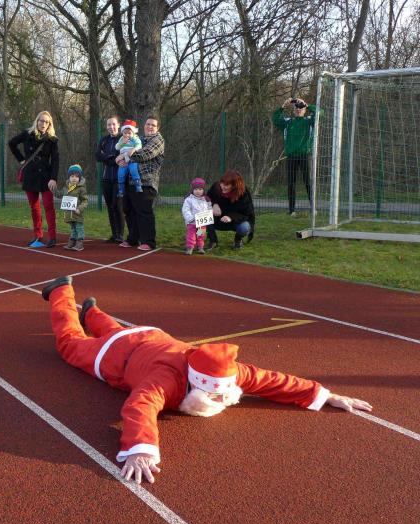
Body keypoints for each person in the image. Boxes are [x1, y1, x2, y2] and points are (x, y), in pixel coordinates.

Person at [40, 276, 373, 484]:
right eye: (213, 396)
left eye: (223, 395)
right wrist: (140, 450)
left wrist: (324, 395)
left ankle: (92, 313)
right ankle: (61, 292)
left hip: (149, 336)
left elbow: (273, 381)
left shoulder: (229, 372)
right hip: (118, 354)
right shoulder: (166, 380)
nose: (221, 401)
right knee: (69, 343)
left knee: (116, 329)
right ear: (195, 383)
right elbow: (139, 406)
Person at [8, 111, 60, 248]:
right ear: (37, 121)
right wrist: (21, 160)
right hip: (30, 175)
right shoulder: (27, 134)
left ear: (50, 124)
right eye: (41, 120)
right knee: (34, 207)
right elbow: (11, 143)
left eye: (47, 122)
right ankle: (38, 235)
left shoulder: (52, 139)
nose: (43, 124)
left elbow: (55, 160)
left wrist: (53, 178)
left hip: (46, 177)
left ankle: (52, 236)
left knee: (49, 207)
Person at [117, 116, 164, 252]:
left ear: (157, 128)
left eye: (153, 125)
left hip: (146, 182)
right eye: (148, 124)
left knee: (144, 212)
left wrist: (124, 156)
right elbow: (125, 147)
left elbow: (145, 154)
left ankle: (148, 241)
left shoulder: (158, 140)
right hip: (131, 180)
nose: (150, 127)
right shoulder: (139, 138)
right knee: (130, 210)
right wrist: (120, 157)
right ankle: (133, 238)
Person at [272, 97, 317, 216]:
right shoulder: (288, 122)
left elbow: (320, 112)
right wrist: (283, 106)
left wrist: (307, 104)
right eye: (296, 108)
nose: (298, 110)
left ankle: (313, 208)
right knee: (291, 183)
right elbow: (275, 119)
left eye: (301, 108)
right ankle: (292, 210)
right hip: (291, 156)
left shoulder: (309, 121)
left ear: (304, 110)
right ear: (293, 110)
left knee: (308, 182)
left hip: (304, 155)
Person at [206, 169, 255, 250]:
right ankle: (212, 240)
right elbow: (206, 199)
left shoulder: (243, 193)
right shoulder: (216, 187)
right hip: (217, 219)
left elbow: (247, 214)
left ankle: (238, 239)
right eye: (222, 183)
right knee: (201, 218)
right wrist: (214, 204)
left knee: (245, 227)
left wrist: (230, 217)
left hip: (235, 221)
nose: (222, 186)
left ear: (235, 185)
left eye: (227, 185)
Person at [94, 116, 125, 243]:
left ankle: (120, 235)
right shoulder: (104, 140)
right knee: (110, 207)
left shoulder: (123, 139)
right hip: (106, 178)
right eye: (108, 125)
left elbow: (122, 155)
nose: (111, 127)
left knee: (117, 206)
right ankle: (114, 234)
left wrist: (108, 157)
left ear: (118, 125)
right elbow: (98, 155)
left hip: (119, 179)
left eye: (113, 124)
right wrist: (111, 158)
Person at [59, 165, 88, 252]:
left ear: (79, 178)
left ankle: (80, 242)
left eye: (76, 176)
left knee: (79, 227)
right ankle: (72, 240)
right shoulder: (66, 188)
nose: (74, 178)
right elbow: (60, 195)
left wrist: (79, 208)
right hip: (69, 213)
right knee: (73, 228)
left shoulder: (81, 188)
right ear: (69, 177)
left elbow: (85, 201)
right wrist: (53, 189)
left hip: (77, 213)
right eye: (72, 176)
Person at [181, 177, 212, 255]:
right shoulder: (189, 200)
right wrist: (190, 218)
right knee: (191, 235)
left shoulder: (206, 200)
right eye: (196, 189)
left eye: (200, 189)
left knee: (200, 234)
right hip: (192, 222)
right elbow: (186, 210)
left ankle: (200, 246)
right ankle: (190, 247)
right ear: (192, 190)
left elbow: (209, 209)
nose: (198, 191)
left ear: (203, 190)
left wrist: (209, 215)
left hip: (202, 222)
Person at [114, 120, 143, 197]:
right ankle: (121, 190)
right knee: (120, 174)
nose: (127, 135)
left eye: (129, 133)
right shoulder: (121, 139)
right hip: (123, 160)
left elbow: (139, 145)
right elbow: (117, 147)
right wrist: (122, 143)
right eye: (125, 133)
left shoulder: (135, 138)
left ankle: (138, 185)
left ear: (133, 133)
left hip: (131, 158)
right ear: (122, 133)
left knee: (134, 170)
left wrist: (134, 149)